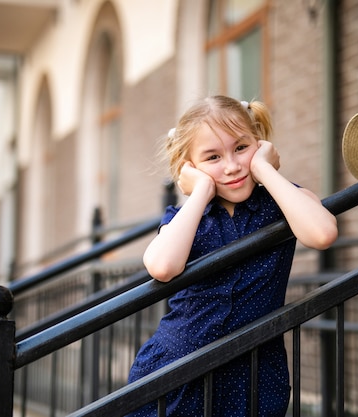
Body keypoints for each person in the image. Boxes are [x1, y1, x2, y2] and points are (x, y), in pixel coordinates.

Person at [127, 95, 338, 416]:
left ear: (259, 141)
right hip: (177, 370)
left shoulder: (283, 200)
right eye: (212, 157)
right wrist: (200, 191)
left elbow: (322, 234)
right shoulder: (186, 218)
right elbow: (162, 266)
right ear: (190, 166)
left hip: (255, 373)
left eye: (241, 148)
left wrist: (264, 169)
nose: (231, 166)